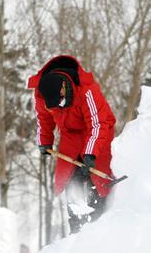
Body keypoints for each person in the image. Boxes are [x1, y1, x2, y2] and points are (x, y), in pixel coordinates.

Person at [27, 55, 116, 233]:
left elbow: (98, 124)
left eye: (59, 98)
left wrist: (91, 153)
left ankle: (99, 222)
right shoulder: (41, 94)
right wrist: (44, 140)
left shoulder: (86, 90)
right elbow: (43, 119)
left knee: (98, 178)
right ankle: (76, 228)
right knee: (70, 180)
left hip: (98, 133)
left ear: (63, 86)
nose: (59, 105)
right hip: (70, 137)